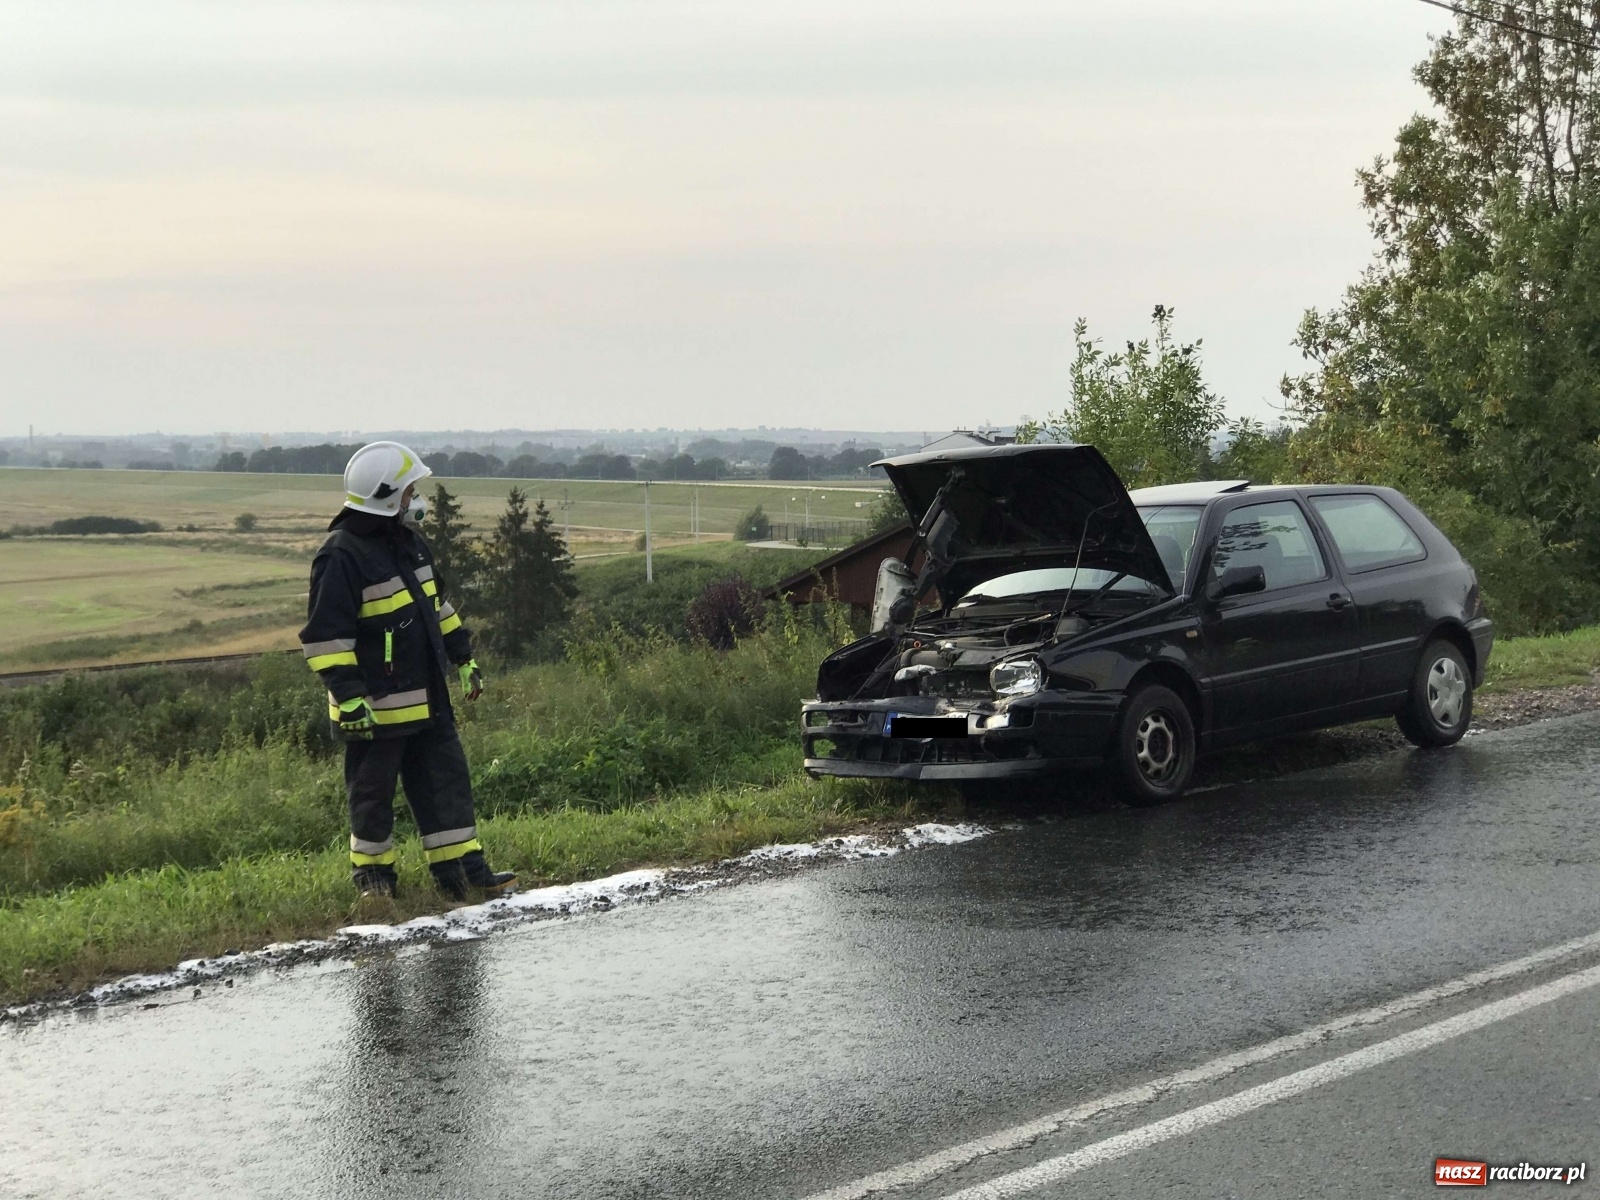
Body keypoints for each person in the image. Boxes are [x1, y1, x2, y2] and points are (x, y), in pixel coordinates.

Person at [298, 441, 516, 901]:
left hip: (429, 698)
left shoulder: (411, 545)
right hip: (373, 710)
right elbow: (326, 637)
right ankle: (374, 880)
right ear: (386, 496)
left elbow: (439, 607)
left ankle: (461, 872)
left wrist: (464, 657)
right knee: (372, 796)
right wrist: (350, 695)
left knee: (447, 782)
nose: (416, 500)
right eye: (410, 491)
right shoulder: (341, 555)